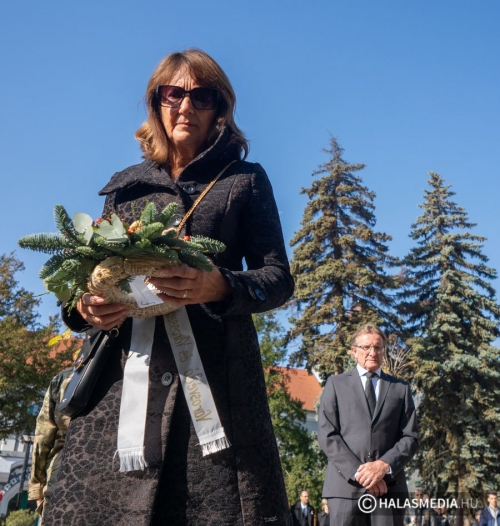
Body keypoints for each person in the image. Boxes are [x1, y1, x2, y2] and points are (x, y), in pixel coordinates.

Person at [43, 48, 294, 526]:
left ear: (220, 108)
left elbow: (278, 278)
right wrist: (85, 307)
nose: (185, 106)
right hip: (119, 388)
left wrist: (220, 285)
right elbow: (86, 278)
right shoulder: (125, 187)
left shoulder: (244, 181)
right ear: (156, 103)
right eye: (173, 94)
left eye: (202, 96)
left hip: (217, 387)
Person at [318, 323, 419, 526]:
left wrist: (383, 466)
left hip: (388, 490)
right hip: (346, 490)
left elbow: (410, 437)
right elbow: (327, 434)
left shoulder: (400, 389)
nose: (372, 352)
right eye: (366, 347)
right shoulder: (336, 385)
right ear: (354, 351)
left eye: (377, 347)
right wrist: (361, 474)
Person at [28, 369, 73, 524]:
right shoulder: (136, 375)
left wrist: (37, 488)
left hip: (63, 475)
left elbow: (43, 437)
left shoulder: (66, 377)